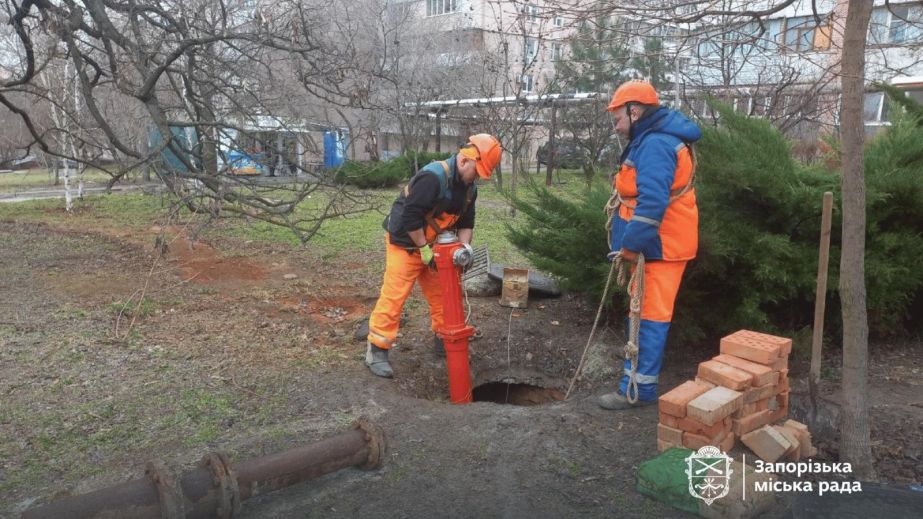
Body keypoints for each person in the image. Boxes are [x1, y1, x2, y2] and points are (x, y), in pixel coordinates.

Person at [599, 80, 701, 410]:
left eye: (617, 117)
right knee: (640, 310)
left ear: (635, 110)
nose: (615, 125)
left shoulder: (656, 144)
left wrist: (631, 246)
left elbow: (653, 202)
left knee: (650, 316)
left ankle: (638, 391)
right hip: (658, 246)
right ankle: (635, 374)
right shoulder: (650, 138)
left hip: (661, 246)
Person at [365, 134, 502, 378]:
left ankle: (444, 340)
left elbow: (467, 223)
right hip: (405, 242)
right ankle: (377, 349)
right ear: (463, 161)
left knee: (444, 295)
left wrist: (464, 249)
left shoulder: (470, 190)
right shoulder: (432, 178)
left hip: (435, 246)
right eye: (477, 171)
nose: (478, 177)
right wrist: (424, 250)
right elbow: (410, 217)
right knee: (395, 294)